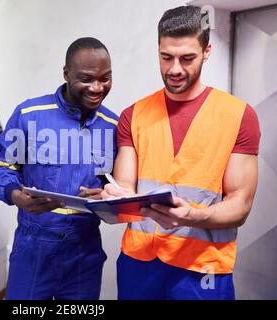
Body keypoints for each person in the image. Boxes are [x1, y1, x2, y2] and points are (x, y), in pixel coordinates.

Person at [103, 6, 261, 300]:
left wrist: (192, 216)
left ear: (207, 51)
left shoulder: (239, 115)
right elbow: (126, 186)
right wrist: (112, 197)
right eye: (166, 57)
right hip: (139, 263)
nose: (174, 69)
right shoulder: (133, 115)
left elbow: (240, 205)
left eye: (187, 58)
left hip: (203, 267)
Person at [0, 37, 118, 300]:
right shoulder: (29, 114)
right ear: (66, 74)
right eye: (86, 79)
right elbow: (2, 169)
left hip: (86, 250)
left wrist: (108, 194)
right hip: (34, 247)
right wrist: (17, 196)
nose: (97, 87)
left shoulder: (113, 126)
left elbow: (116, 183)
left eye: (105, 78)